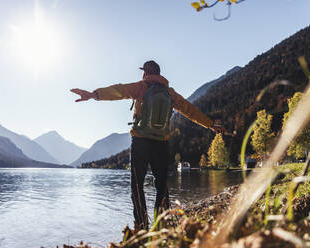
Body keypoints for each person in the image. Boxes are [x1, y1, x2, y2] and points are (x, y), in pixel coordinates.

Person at [71, 60, 226, 230]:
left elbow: (119, 90)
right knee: (161, 184)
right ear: (159, 74)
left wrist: (94, 95)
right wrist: (210, 125)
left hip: (140, 141)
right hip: (161, 142)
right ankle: (163, 224)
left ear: (145, 73)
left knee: (137, 185)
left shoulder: (141, 87)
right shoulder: (169, 92)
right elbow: (190, 110)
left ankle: (142, 225)